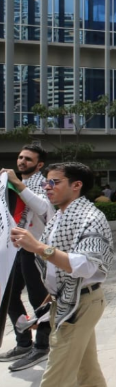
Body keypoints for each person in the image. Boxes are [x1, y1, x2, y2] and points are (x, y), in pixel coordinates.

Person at [11, 162, 116, 387]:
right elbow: (61, 269)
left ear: (76, 185)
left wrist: (39, 248)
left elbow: (87, 264)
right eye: (47, 182)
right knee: (87, 374)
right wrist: (48, 303)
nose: (47, 187)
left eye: (54, 182)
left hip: (80, 306)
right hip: (71, 302)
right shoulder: (62, 214)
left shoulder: (89, 216)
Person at [0, 145, 55, 372]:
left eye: (28, 159)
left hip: (37, 248)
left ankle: (41, 347)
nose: (22, 161)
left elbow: (44, 208)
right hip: (16, 248)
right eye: (20, 157)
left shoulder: (47, 182)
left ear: (39, 164)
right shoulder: (10, 184)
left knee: (38, 298)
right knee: (9, 294)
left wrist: (19, 184)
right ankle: (23, 342)